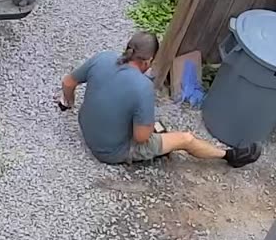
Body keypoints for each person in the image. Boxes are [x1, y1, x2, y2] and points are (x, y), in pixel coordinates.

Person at [58, 32, 262, 167]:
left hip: (85, 127)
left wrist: (69, 103)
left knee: (149, 121)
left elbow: (68, 83)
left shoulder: (103, 58)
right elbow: (140, 138)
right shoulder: (142, 86)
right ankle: (229, 156)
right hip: (109, 151)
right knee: (185, 138)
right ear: (148, 61)